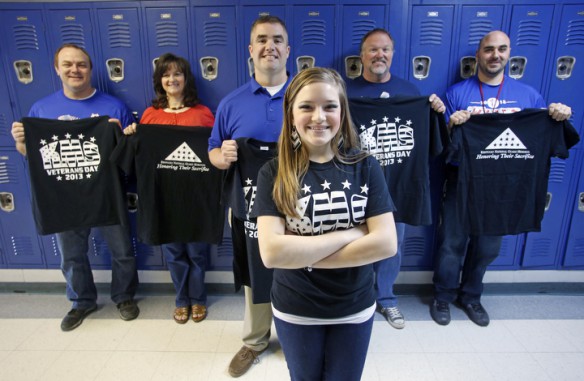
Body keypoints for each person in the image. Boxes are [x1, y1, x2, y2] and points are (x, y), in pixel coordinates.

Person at [252, 67, 398, 381]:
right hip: (296, 309)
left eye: (329, 106)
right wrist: (352, 233)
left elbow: (386, 243)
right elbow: (273, 254)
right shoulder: (272, 173)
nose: (319, 116)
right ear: (291, 115)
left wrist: (301, 253)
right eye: (307, 106)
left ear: (342, 112)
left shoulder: (365, 166)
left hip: (354, 307)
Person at [431, 30, 572, 327]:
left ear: (510, 54)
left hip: (504, 186)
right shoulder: (457, 93)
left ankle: (470, 296)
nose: (495, 55)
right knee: (451, 243)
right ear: (478, 55)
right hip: (463, 180)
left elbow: (541, 134)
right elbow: (441, 142)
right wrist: (452, 123)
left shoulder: (529, 95)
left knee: (487, 248)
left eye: (502, 49)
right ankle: (442, 296)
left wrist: (558, 115)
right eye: (489, 49)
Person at [10, 43, 139, 331]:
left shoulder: (113, 106)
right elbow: (33, 155)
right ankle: (81, 301)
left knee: (122, 250)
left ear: (90, 69)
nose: (75, 70)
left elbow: (129, 152)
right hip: (63, 196)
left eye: (81, 64)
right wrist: (21, 142)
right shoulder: (41, 109)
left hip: (107, 193)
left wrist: (125, 133)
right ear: (57, 69)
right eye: (67, 64)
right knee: (71, 255)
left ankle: (124, 296)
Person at [207, 15, 291, 378]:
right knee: (256, 276)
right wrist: (220, 156)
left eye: (276, 39)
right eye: (261, 39)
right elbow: (212, 150)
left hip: (300, 206)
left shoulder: (306, 95)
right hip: (250, 207)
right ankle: (255, 341)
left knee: (299, 272)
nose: (269, 46)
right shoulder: (231, 103)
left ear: (288, 49)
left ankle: (294, 337)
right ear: (250, 50)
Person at [346, 27, 445, 329]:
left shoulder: (411, 93)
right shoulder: (346, 93)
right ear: (361, 56)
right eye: (373, 50)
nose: (380, 55)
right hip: (356, 186)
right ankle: (356, 299)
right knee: (353, 245)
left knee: (391, 246)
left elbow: (427, 141)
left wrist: (435, 112)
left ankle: (386, 299)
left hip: (398, 187)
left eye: (385, 49)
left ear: (393, 53)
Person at [124, 53, 215, 324]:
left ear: (186, 79)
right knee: (174, 253)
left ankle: (198, 298)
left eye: (177, 74)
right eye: (166, 75)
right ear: (159, 81)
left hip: (196, 198)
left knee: (197, 253)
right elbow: (141, 154)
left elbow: (213, 151)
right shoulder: (150, 116)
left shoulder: (203, 114)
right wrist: (133, 134)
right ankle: (181, 299)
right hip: (164, 199)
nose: (172, 79)